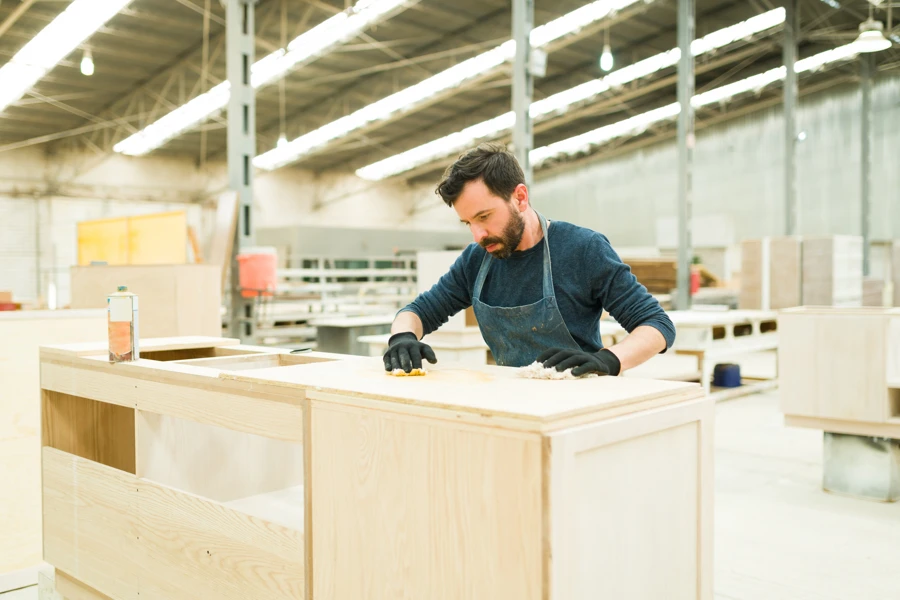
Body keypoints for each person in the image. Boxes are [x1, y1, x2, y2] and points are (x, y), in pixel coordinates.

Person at [383, 143, 675, 376]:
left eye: (484, 217)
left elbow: (657, 324)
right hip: (515, 403)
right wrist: (402, 337)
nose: (478, 235)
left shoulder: (583, 249)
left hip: (581, 401)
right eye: (468, 223)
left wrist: (609, 360)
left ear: (520, 198)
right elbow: (418, 311)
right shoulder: (477, 260)